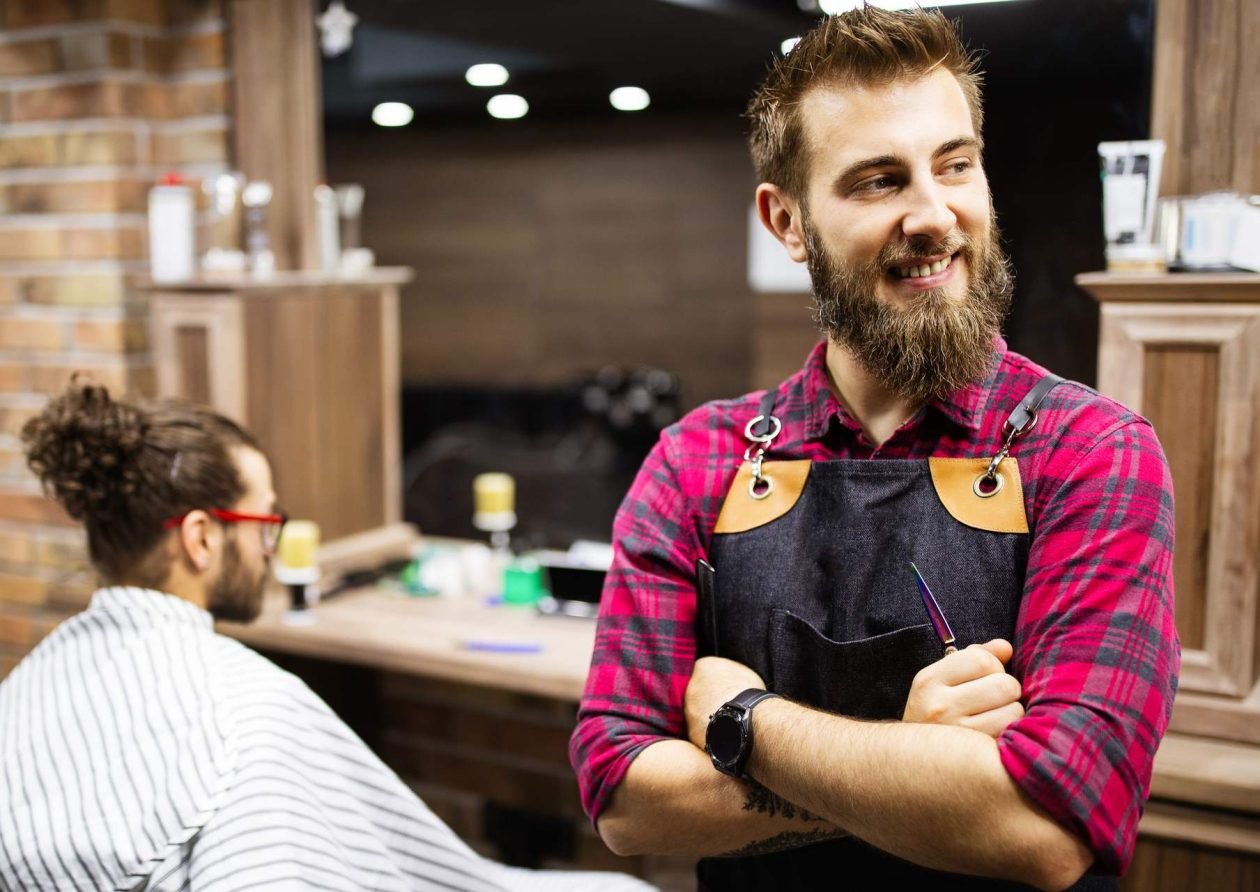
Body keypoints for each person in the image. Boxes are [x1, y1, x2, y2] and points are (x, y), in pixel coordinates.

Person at [569, 6, 1179, 891]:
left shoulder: (1090, 453)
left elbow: (1051, 823)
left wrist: (748, 722)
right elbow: (623, 798)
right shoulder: (698, 462)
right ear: (787, 223)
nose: (934, 216)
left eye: (956, 165)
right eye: (877, 181)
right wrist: (920, 754)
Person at [1, 381, 654, 892]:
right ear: (201, 537)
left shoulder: (28, 684)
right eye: (265, 520)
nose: (270, 544)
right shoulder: (243, 713)